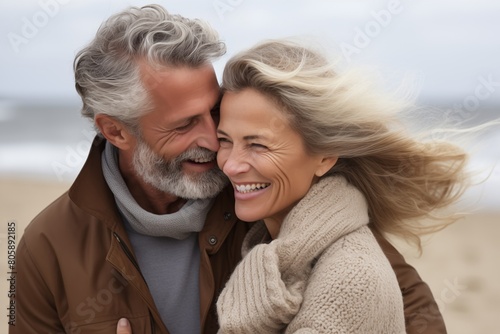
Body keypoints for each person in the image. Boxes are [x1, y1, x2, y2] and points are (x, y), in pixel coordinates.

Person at [11, 4, 446, 334]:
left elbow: (412, 310)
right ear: (116, 130)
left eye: (214, 111)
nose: (213, 139)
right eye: (184, 124)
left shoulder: (267, 197)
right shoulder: (46, 247)